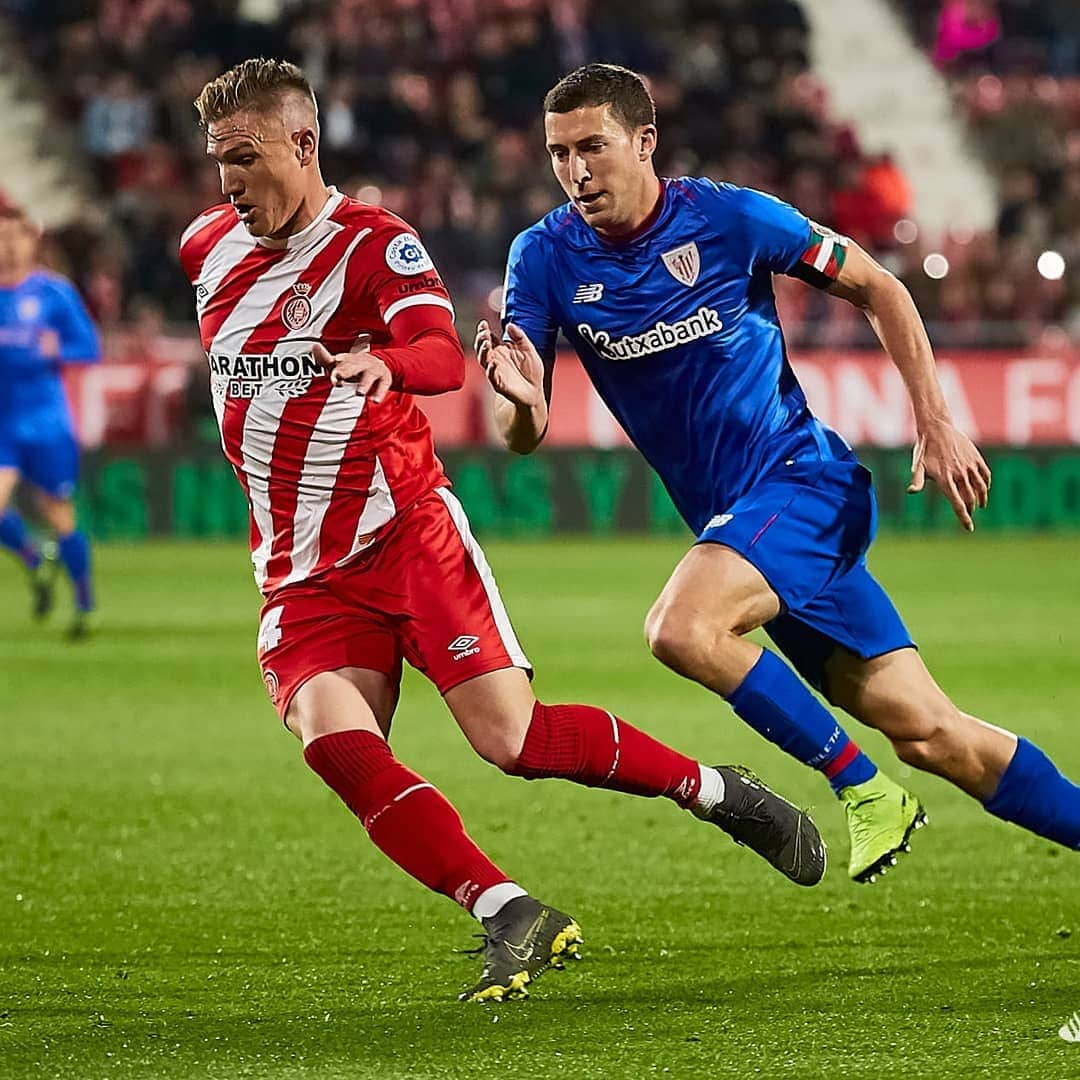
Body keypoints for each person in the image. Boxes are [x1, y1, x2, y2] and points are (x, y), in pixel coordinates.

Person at [180, 58, 826, 1005]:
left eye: (245, 156)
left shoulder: (375, 244)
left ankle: (717, 791)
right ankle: (506, 908)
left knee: (511, 742)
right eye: (217, 161)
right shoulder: (207, 246)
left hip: (404, 534)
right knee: (335, 742)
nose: (229, 182)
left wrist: (385, 365)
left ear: (303, 144)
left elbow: (443, 355)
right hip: (298, 569)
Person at [478, 63, 1080, 883]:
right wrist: (515, 398)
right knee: (934, 734)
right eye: (558, 153)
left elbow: (880, 287)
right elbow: (526, 433)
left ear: (644, 142)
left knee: (682, 628)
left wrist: (935, 419)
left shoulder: (729, 219)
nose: (576, 171)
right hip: (742, 527)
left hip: (802, 483)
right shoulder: (542, 258)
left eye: (594, 146)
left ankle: (863, 790)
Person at [0, 205, 100, 639]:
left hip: (46, 421)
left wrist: (57, 349)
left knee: (60, 515)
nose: (7, 246)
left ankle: (83, 602)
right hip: (3, 421)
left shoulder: (53, 293)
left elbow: (89, 347)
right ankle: (36, 561)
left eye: (14, 236)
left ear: (31, 240)